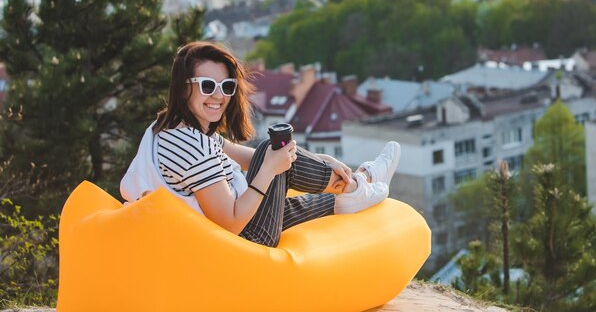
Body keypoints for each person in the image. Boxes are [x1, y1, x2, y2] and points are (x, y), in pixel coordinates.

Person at [121, 41, 401, 247]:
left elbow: (243, 156)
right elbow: (231, 224)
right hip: (243, 243)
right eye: (207, 85)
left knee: (280, 178)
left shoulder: (175, 129)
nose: (218, 96)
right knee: (273, 152)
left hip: (214, 235)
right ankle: (358, 188)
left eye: (226, 87)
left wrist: (320, 160)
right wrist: (269, 169)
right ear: (184, 87)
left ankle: (357, 185)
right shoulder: (191, 147)